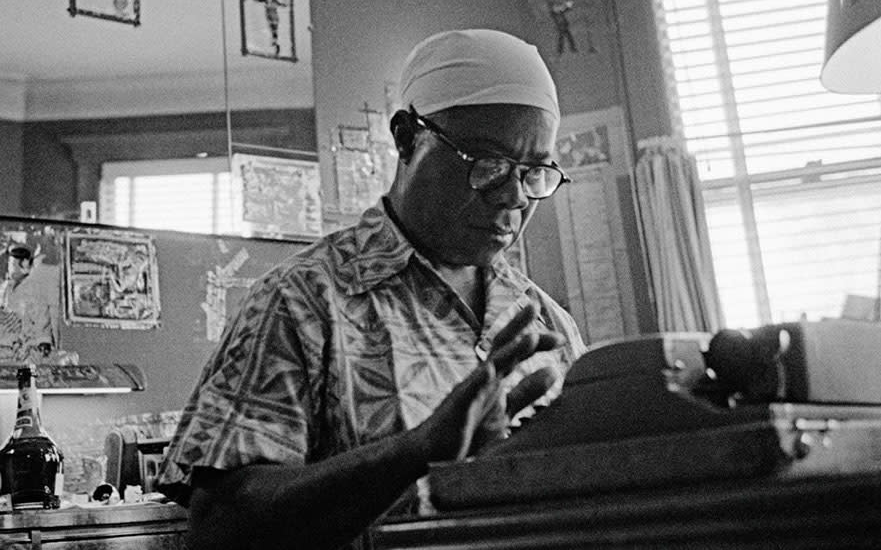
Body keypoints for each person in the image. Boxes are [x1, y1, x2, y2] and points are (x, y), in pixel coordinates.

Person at [157, 28, 587, 550]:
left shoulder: (544, 324)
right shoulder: (303, 302)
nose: (515, 196)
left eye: (535, 172)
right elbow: (220, 525)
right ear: (407, 137)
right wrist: (416, 452)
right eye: (487, 165)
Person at [0, 243, 61, 364]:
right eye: (9, 264)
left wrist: (43, 343)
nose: (9, 268)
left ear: (24, 264)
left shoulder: (34, 289)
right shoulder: (6, 286)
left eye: (12, 264)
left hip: (24, 351)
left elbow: (42, 321)